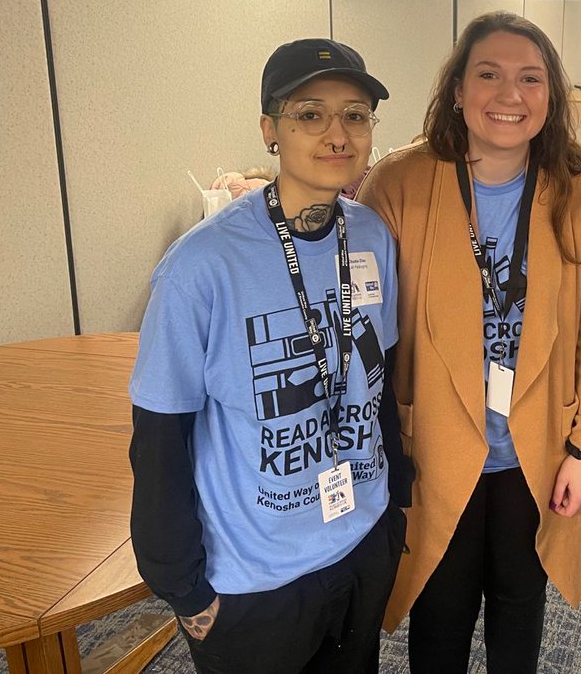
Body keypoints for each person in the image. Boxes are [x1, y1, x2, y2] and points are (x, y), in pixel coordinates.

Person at [128, 38, 410, 673]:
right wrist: (183, 587)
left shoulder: (370, 235)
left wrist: (395, 508)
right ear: (270, 130)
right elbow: (159, 437)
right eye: (310, 114)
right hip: (255, 580)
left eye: (356, 115)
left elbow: (380, 383)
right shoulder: (200, 268)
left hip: (361, 540)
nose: (337, 134)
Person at [357, 11, 581, 673]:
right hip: (435, 447)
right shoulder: (399, 183)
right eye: (490, 75)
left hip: (536, 452)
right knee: (438, 616)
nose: (510, 95)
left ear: (550, 96)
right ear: (456, 90)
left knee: (517, 610)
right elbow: (368, 338)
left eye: (530, 78)